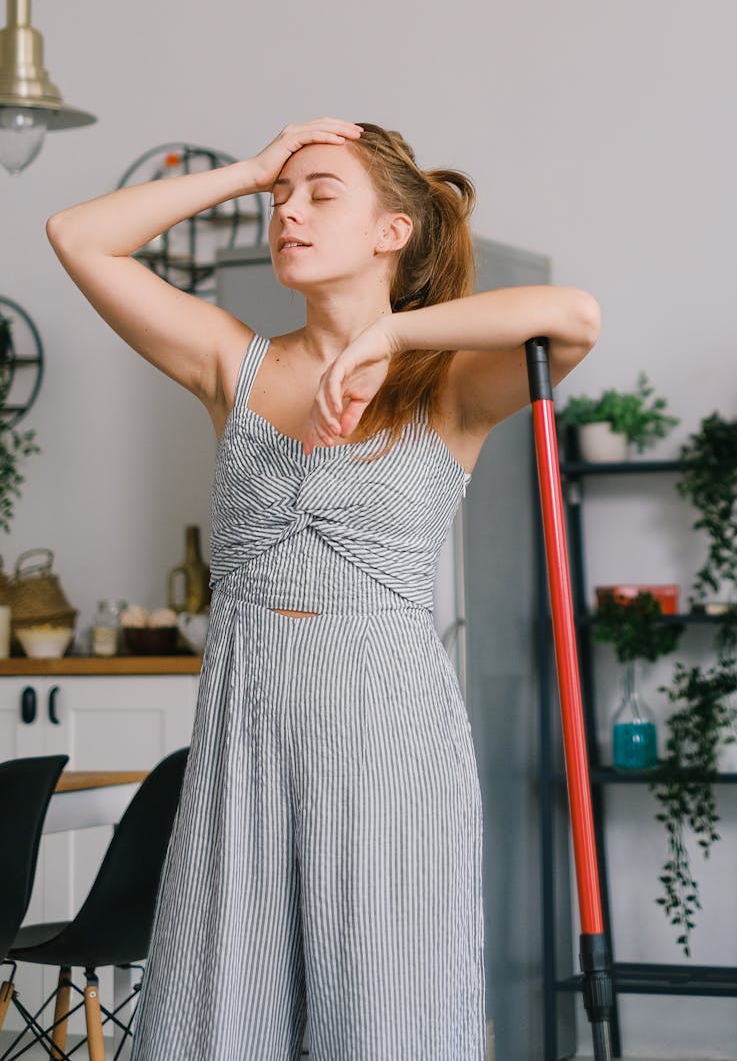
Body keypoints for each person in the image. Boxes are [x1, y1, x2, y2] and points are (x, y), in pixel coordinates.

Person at [46, 117, 602, 1061]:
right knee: (221, 1012)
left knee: (383, 1013)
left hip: (386, 737)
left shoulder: (447, 385)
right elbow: (76, 235)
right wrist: (251, 168)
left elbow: (574, 316)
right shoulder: (234, 362)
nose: (287, 214)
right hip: (245, 734)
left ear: (393, 232)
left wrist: (390, 337)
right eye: (280, 199)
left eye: (318, 195)